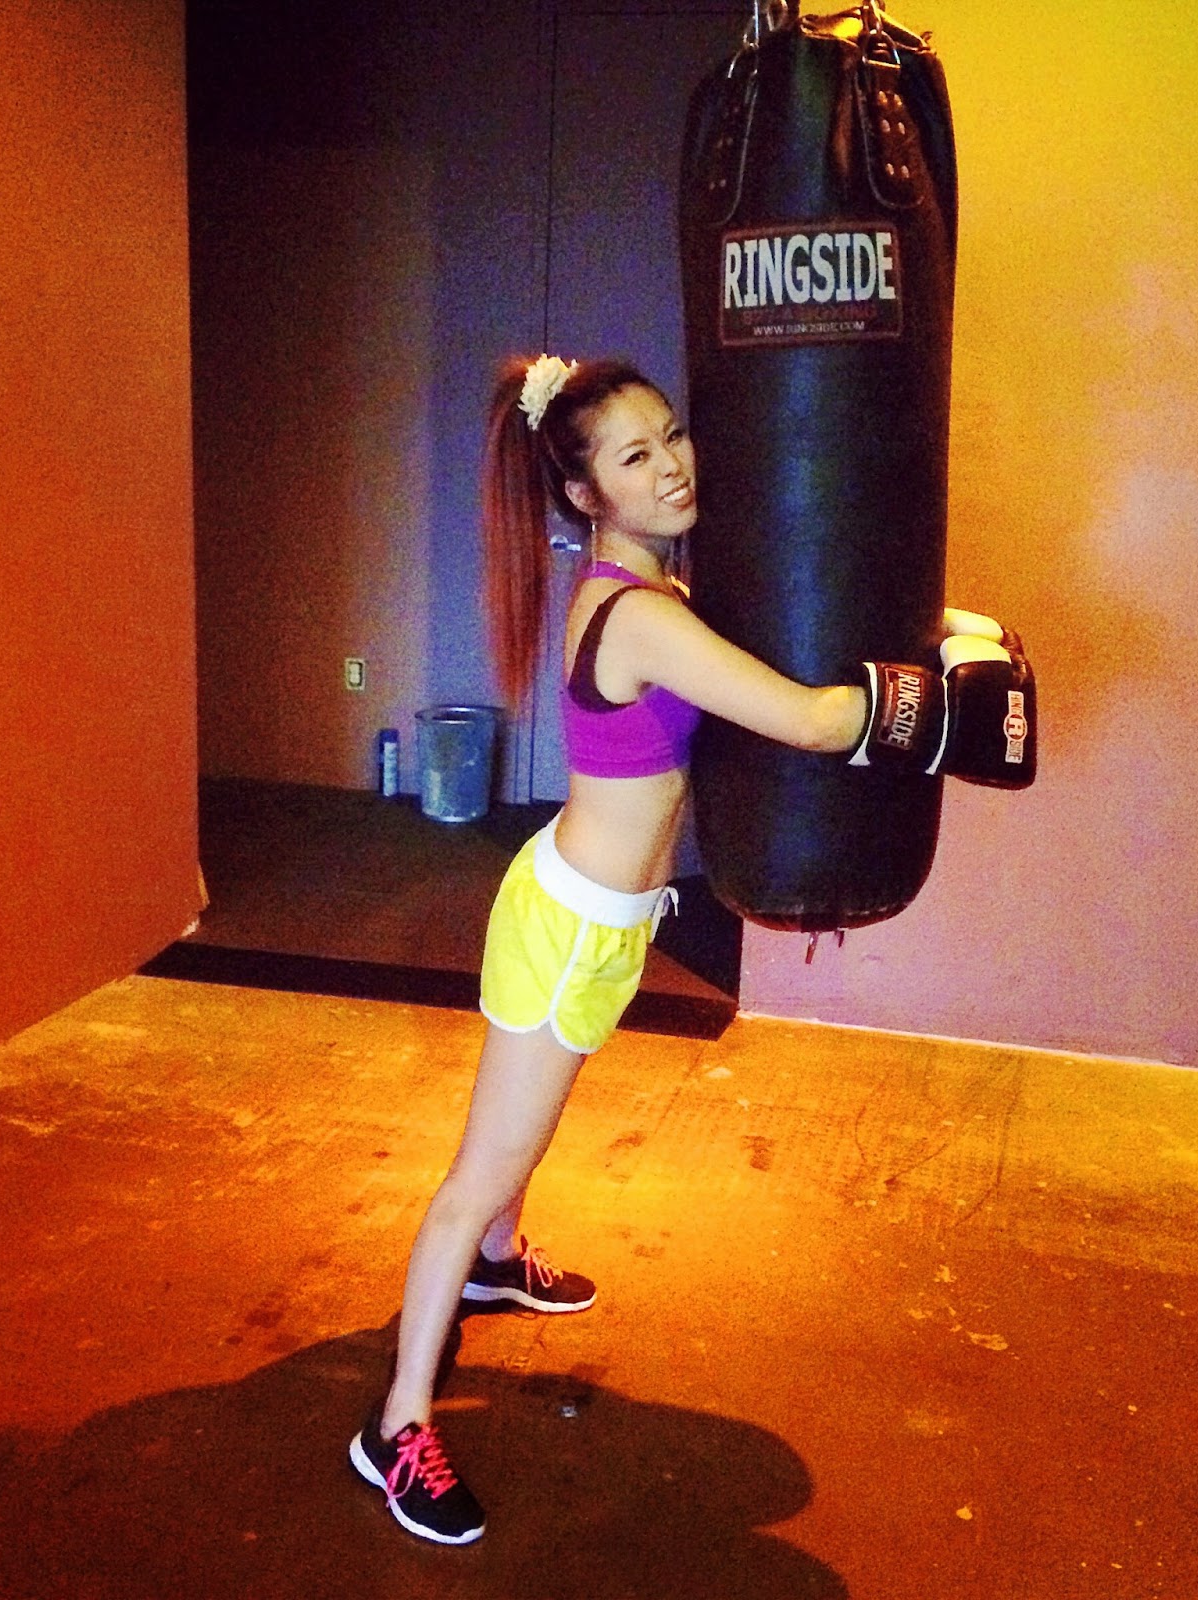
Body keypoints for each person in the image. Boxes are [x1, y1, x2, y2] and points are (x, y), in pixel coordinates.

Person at [349, 353, 1020, 1544]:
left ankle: (497, 1261)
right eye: (634, 455)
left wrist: (957, 628)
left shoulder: (649, 585)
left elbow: (792, 648)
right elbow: (813, 716)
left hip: (602, 922)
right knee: (475, 1174)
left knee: (529, 1132)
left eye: (672, 434)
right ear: (584, 494)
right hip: (566, 935)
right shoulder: (645, 618)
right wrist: (952, 704)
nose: (671, 467)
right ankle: (396, 1425)